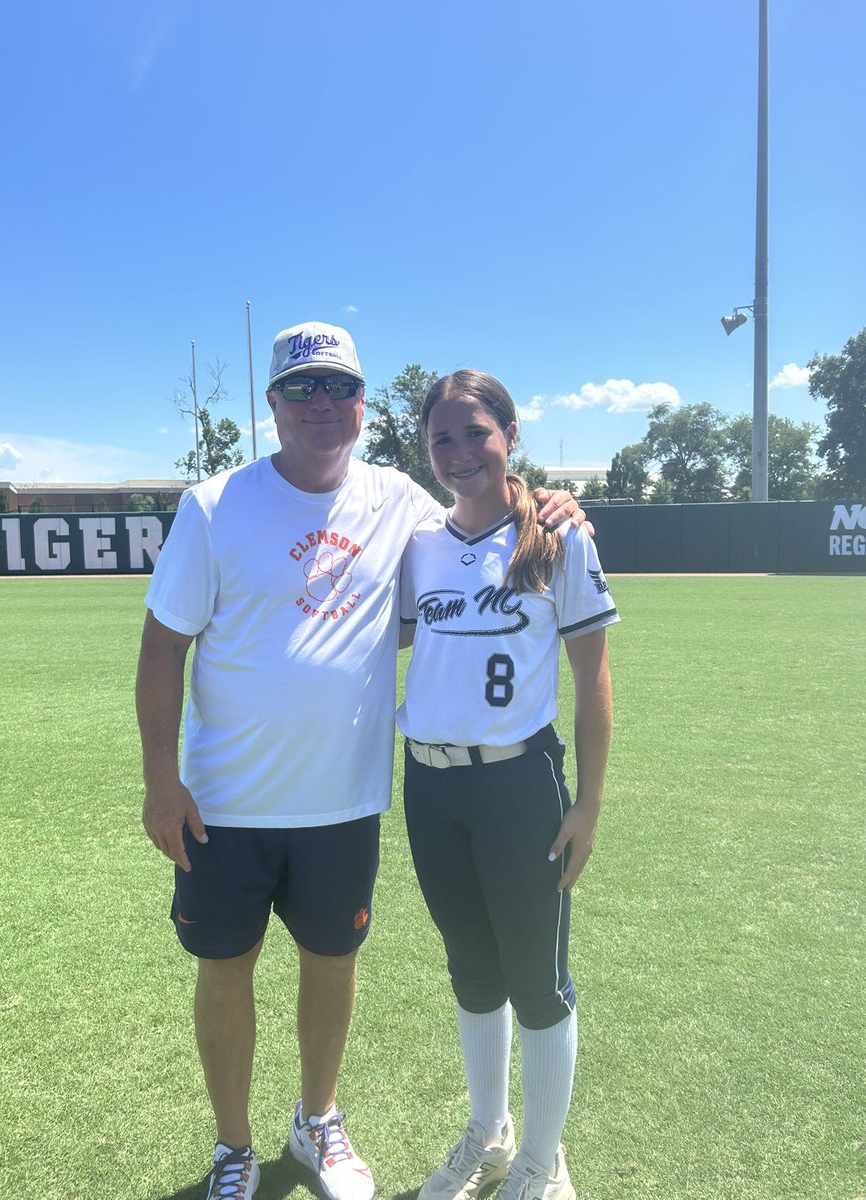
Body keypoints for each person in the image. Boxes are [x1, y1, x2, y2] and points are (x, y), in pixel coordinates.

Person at [136, 323, 587, 1200]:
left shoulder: (399, 502)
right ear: (272, 405)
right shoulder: (215, 504)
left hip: (344, 801)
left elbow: (480, 508)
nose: (321, 406)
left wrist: (552, 501)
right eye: (301, 390)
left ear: (362, 404)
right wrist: (161, 777)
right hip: (225, 801)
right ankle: (234, 1147)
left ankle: (317, 1123)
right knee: (224, 970)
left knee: (330, 965)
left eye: (338, 388)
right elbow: (162, 648)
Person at [396, 371, 618, 1200]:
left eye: (475, 433)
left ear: (510, 436)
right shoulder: (419, 545)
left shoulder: (558, 537)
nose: (459, 454)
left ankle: (543, 1161)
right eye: (441, 440)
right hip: (432, 789)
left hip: (519, 784)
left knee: (537, 980)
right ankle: (489, 1134)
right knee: (471, 970)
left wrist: (588, 805)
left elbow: (592, 679)